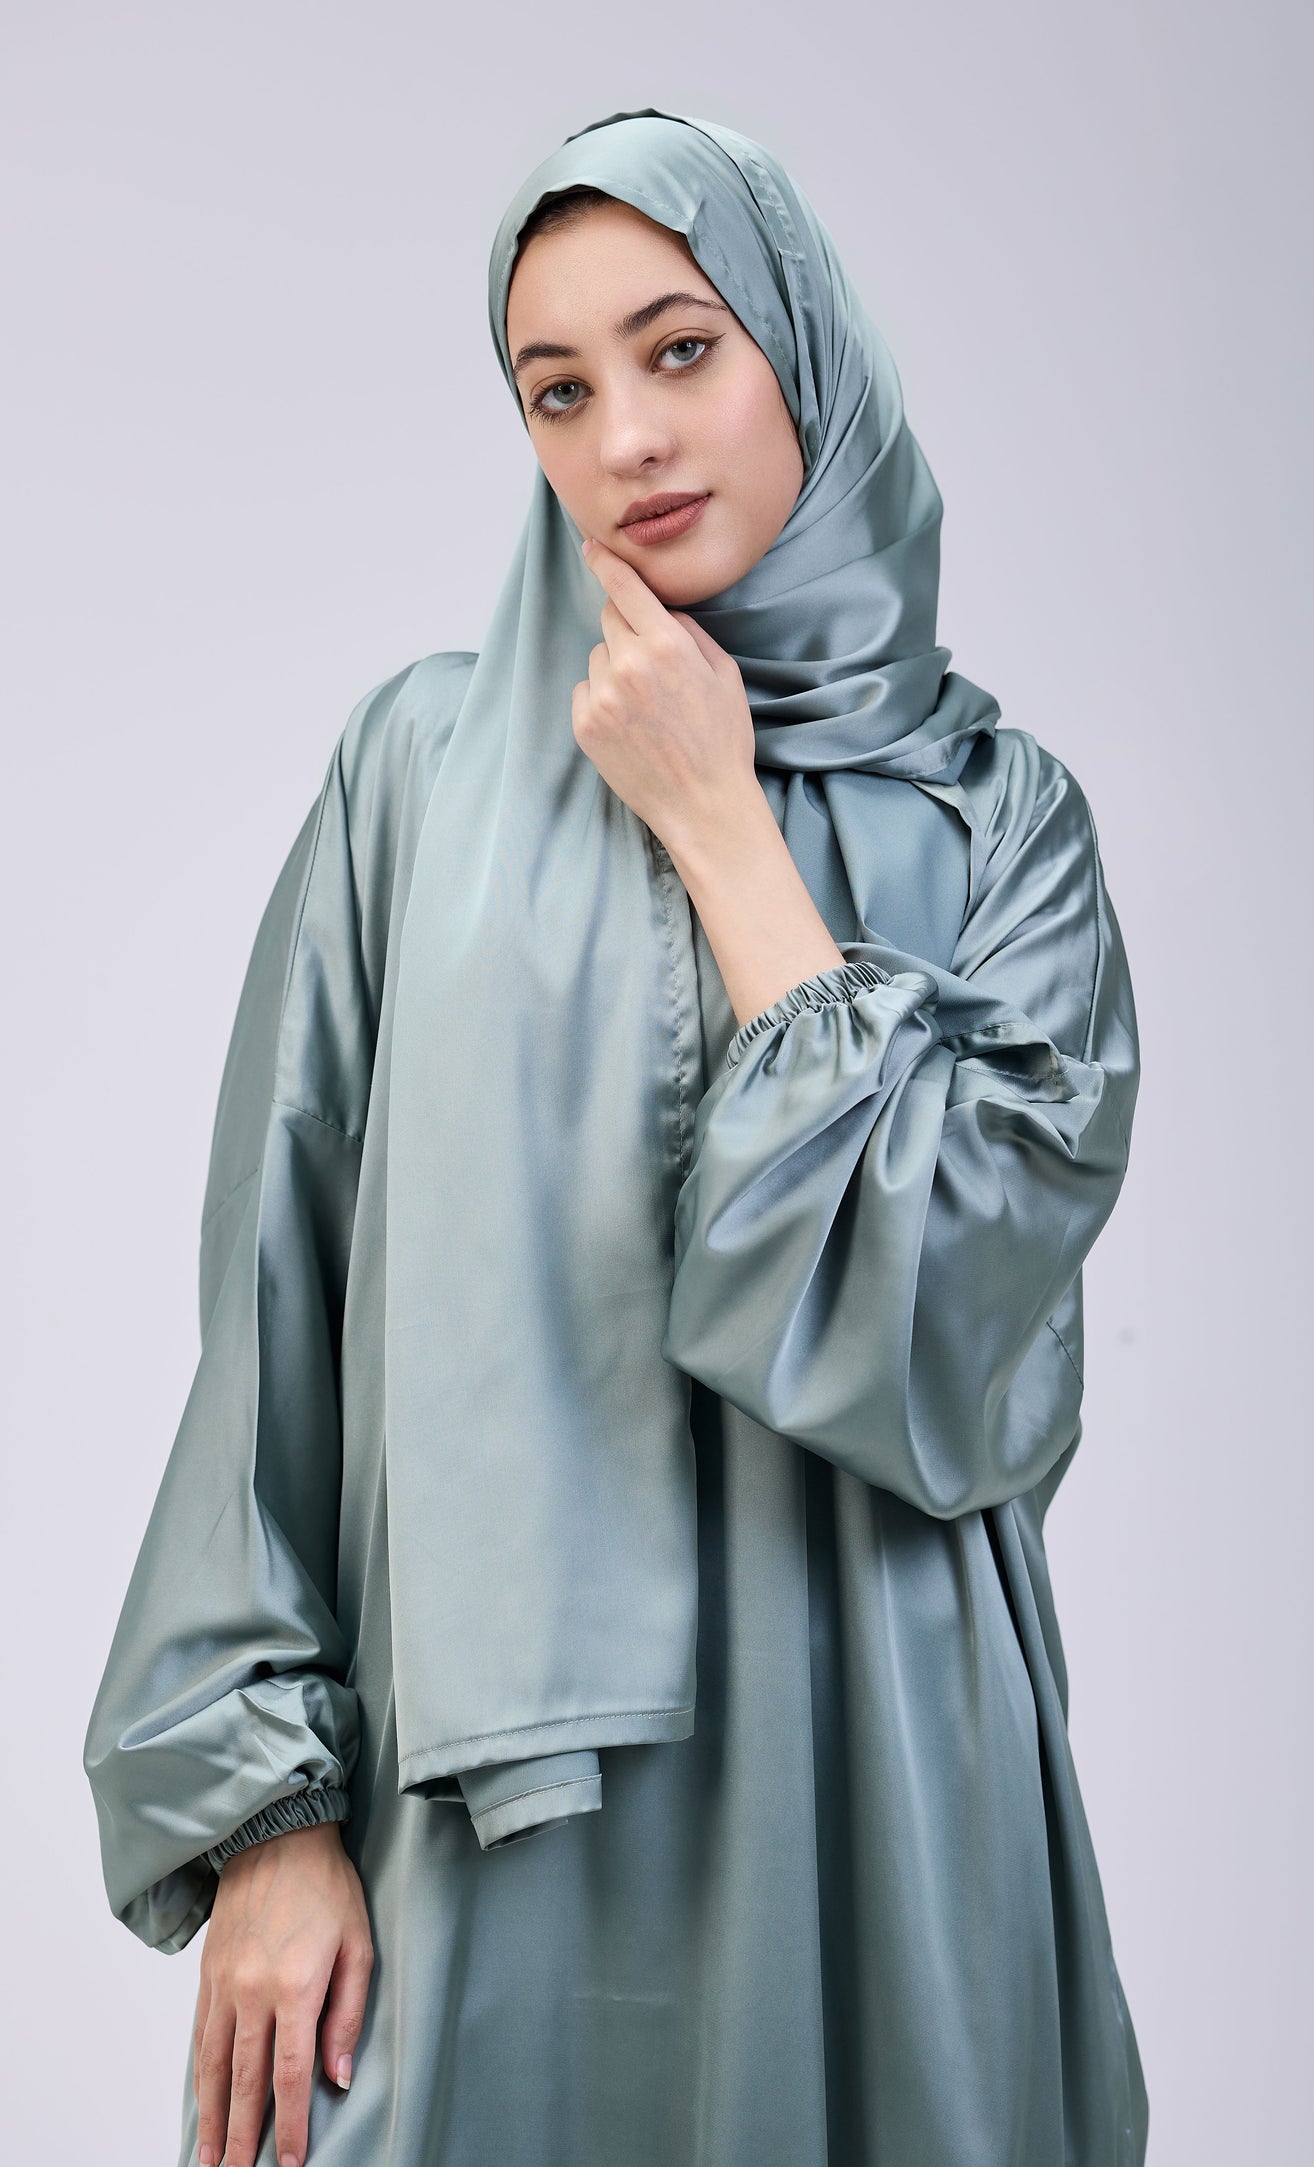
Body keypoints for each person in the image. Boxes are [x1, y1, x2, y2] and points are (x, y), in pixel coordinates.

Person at [83, 107, 1149, 2167]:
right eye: (556, 389)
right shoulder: (418, 772)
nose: (629, 438)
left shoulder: (1001, 820)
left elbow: (946, 1328)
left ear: (802, 352)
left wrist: (721, 825)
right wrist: (266, 1819)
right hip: (492, 1811)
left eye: (680, 350)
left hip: (880, 1777)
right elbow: (275, 1300)